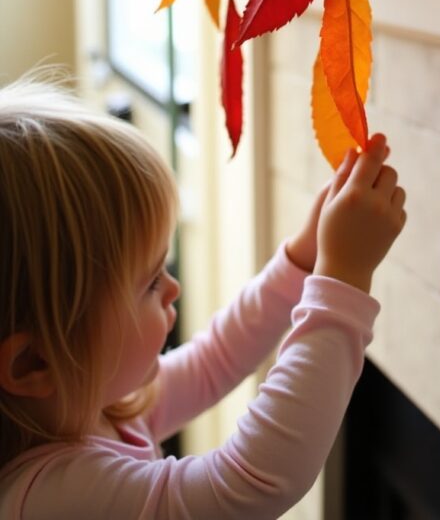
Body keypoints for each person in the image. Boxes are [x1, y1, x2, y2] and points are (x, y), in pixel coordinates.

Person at [0, 74, 406, 518]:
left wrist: (302, 261)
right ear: (33, 363)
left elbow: (213, 360)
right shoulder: (49, 498)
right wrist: (343, 279)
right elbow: (250, 482)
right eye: (150, 283)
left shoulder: (92, 407)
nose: (172, 288)